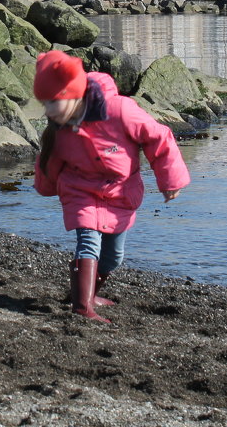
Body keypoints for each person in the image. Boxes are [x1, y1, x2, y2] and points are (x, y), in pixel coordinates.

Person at [32, 50, 190, 323]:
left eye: (52, 102)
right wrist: (46, 187)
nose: (47, 110)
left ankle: (88, 293)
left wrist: (170, 181)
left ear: (73, 95)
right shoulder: (59, 127)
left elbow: (159, 139)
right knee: (88, 244)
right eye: (45, 103)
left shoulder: (119, 110)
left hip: (119, 193)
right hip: (79, 191)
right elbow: (49, 160)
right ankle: (82, 307)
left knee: (114, 257)